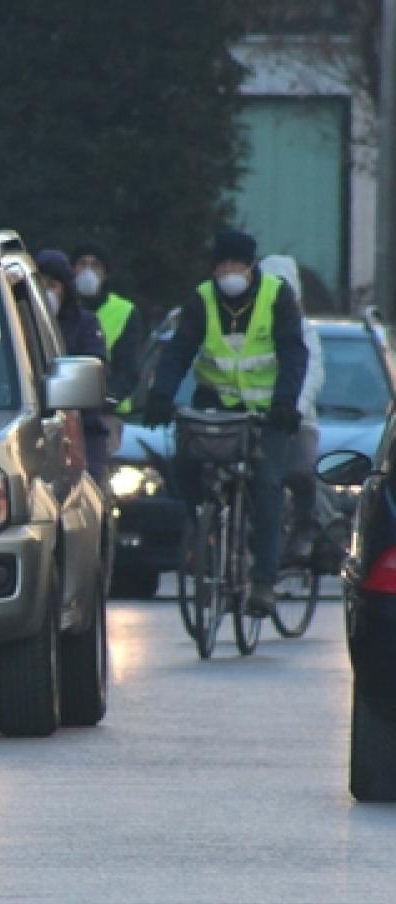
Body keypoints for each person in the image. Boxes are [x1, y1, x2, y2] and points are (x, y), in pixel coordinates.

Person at [143, 228, 309, 617]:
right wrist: (161, 394)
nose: (228, 273)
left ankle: (264, 580)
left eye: (236, 264)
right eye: (222, 265)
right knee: (184, 463)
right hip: (215, 403)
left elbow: (293, 353)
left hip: (267, 411)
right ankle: (203, 531)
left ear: (251, 266)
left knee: (267, 483)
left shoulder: (277, 297)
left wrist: (286, 402)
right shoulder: (202, 299)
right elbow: (180, 349)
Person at [259, 253, 325, 564]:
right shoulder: (251, 325)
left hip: (297, 419)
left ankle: (304, 525)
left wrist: (293, 409)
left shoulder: (305, 330)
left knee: (300, 470)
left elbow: (312, 374)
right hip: (256, 418)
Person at [35, 249, 110, 482]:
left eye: (53, 285)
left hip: (82, 431)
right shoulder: (17, 326)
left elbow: (97, 370)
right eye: (40, 285)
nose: (46, 292)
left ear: (65, 289)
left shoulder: (84, 323)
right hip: (34, 430)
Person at [71, 240, 147, 409]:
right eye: (82, 264)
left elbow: (128, 369)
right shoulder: (60, 308)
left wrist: (109, 397)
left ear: (105, 274)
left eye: (95, 265)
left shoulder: (125, 311)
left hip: (111, 411)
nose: (87, 271)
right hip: (67, 407)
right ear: (72, 270)